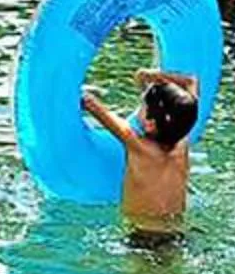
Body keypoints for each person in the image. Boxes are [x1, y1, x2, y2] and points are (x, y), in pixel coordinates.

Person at [79, 69, 197, 234]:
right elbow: (191, 82)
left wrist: (147, 75)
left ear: (150, 123)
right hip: (177, 232)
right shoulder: (183, 141)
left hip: (142, 235)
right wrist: (153, 82)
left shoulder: (137, 144)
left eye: (142, 106)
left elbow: (89, 102)